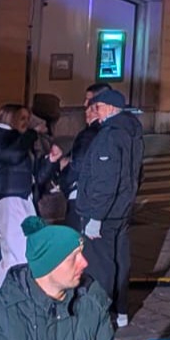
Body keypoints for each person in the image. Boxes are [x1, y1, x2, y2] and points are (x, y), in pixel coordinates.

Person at [76, 87, 143, 328]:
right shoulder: (132, 132)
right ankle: (121, 311)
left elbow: (105, 181)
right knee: (119, 259)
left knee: (100, 265)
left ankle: (101, 315)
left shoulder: (109, 136)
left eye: (99, 107)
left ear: (111, 108)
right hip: (122, 209)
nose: (96, 112)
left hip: (105, 213)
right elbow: (136, 173)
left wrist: (95, 216)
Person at [0, 105, 63, 294]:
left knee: (12, 259)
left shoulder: (15, 141)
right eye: (22, 118)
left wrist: (51, 161)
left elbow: (35, 180)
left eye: (28, 119)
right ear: (10, 118)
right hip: (8, 200)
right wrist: (33, 134)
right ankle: (17, 300)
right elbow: (13, 156)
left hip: (20, 200)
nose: (26, 123)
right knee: (23, 255)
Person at [59, 83, 109, 230]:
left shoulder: (90, 134)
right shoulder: (119, 130)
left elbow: (77, 165)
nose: (84, 104)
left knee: (77, 238)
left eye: (89, 100)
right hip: (106, 199)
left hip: (84, 196)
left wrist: (64, 175)